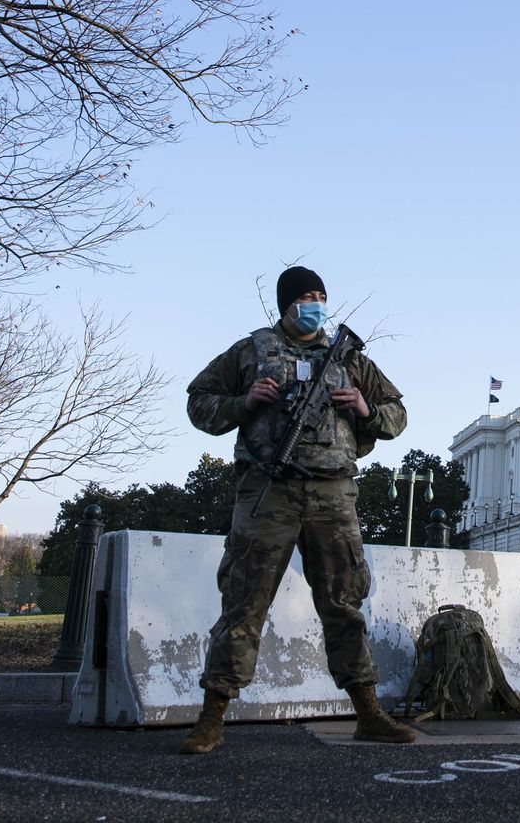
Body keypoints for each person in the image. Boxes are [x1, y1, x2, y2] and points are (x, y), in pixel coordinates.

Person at [178, 266, 419, 753]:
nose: (315, 303)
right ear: (286, 304)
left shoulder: (350, 360)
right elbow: (199, 403)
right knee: (244, 603)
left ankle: (368, 713)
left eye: (321, 296)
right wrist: (245, 401)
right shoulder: (252, 351)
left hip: (332, 493)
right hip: (268, 490)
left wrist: (364, 408)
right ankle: (212, 718)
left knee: (343, 604)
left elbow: (398, 414)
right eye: (306, 296)